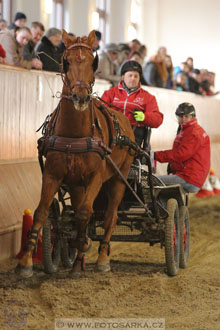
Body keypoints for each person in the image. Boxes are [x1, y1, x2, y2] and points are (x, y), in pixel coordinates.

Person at [101, 60, 163, 147]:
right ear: (123, 77)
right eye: (130, 75)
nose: (133, 78)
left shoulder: (148, 97)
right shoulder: (110, 93)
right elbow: (100, 110)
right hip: (111, 130)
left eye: (136, 76)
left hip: (134, 133)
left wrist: (145, 117)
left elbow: (158, 119)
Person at [153, 103, 210, 193]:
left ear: (192, 116)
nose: (183, 119)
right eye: (180, 116)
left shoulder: (194, 133)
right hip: (189, 176)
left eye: (186, 116)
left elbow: (180, 154)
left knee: (152, 181)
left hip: (188, 178)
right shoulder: (187, 129)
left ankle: (150, 206)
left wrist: (155, 155)